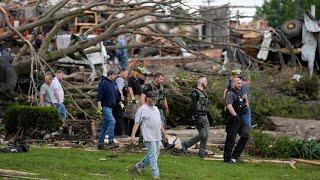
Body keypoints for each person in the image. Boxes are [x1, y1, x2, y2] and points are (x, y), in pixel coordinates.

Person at [131, 91, 169, 179]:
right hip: (148, 136)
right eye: (153, 99)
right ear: (147, 98)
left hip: (157, 135)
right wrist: (133, 136)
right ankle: (156, 175)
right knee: (153, 155)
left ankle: (138, 166)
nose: (155, 100)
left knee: (155, 154)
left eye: (155, 99)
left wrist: (165, 134)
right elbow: (136, 123)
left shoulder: (156, 108)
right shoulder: (142, 109)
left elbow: (159, 123)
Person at [140, 73, 174, 149]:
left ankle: (165, 143)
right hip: (151, 108)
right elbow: (143, 96)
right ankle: (141, 141)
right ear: (156, 78)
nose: (162, 80)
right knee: (148, 124)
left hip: (160, 109)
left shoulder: (162, 87)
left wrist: (166, 107)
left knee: (161, 125)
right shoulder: (149, 86)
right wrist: (144, 108)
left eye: (163, 79)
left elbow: (164, 97)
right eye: (161, 79)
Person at [181, 76, 211, 158]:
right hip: (198, 116)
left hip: (205, 116)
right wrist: (196, 117)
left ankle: (202, 153)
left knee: (206, 135)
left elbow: (206, 106)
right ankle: (185, 144)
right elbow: (193, 106)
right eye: (205, 81)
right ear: (201, 82)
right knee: (202, 135)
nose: (206, 82)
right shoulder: (195, 92)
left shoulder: (204, 93)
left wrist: (209, 116)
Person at [223, 77, 249, 163]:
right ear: (233, 83)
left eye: (241, 83)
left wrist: (245, 105)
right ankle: (227, 159)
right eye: (238, 83)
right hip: (233, 118)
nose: (240, 85)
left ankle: (235, 156)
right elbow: (229, 105)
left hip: (240, 118)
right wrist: (235, 116)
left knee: (245, 135)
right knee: (231, 139)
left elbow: (243, 104)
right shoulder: (230, 93)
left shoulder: (239, 93)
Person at [97, 69, 120, 149]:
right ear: (110, 74)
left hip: (111, 108)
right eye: (115, 75)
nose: (116, 76)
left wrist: (120, 102)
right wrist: (99, 107)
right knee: (112, 121)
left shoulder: (113, 83)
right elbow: (99, 96)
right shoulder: (104, 83)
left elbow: (117, 95)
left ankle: (100, 143)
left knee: (104, 126)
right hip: (105, 107)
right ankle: (110, 141)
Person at [113, 68, 129, 137]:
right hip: (119, 101)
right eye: (126, 73)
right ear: (122, 72)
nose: (127, 75)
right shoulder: (120, 79)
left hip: (116, 101)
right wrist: (121, 97)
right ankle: (120, 134)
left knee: (117, 116)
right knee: (120, 116)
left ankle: (117, 133)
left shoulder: (117, 79)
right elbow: (119, 89)